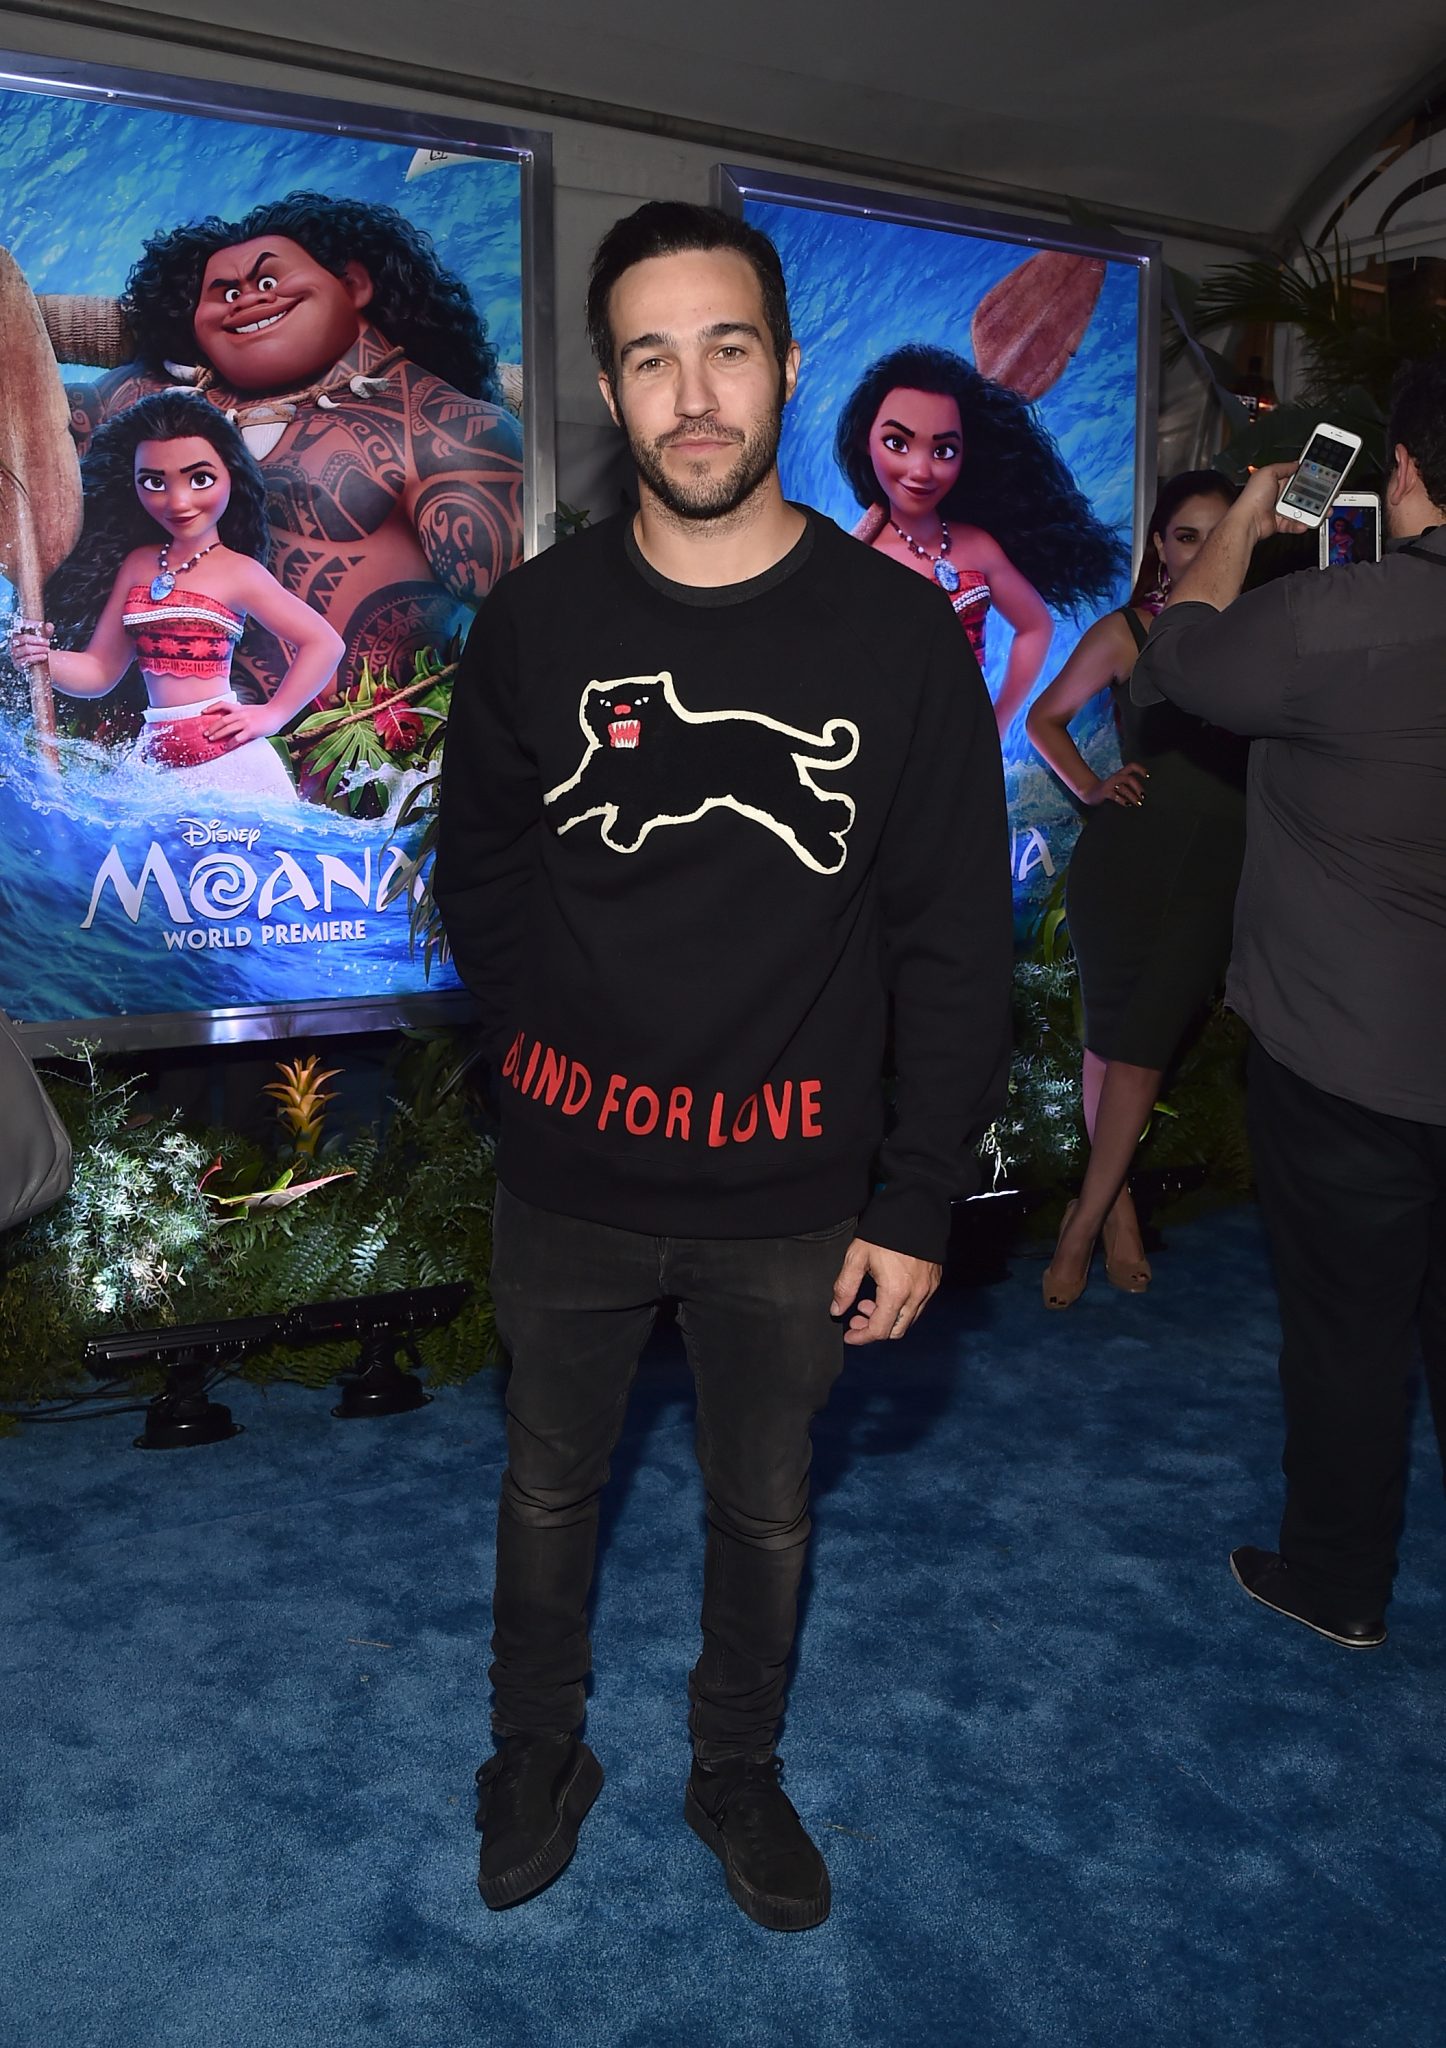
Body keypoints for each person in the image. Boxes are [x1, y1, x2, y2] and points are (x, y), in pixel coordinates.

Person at [434, 202, 1012, 1929]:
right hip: (569, 1179)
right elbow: (482, 872)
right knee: (547, 1486)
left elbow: (952, 938)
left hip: (794, 1196)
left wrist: (916, 1197)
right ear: (609, 389)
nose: (693, 395)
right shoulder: (534, 623)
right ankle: (535, 1749)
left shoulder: (898, 639)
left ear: (786, 365)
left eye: (727, 347)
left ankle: (733, 1768)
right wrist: (541, 1050)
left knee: (763, 1513)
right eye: (652, 357)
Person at [1131, 358, 1446, 1650]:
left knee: (1346, 1339)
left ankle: (1336, 1580)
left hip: (1345, 1065)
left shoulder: (1338, 618)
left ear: (1403, 468)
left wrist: (1250, 520)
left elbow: (1176, 656)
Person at [65, 192, 523, 711]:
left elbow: (527, 629)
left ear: (354, 284)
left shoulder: (445, 427)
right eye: (224, 291)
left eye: (266, 282)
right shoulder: (150, 398)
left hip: (349, 752)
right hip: (146, 741)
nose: (246, 300)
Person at [1025, 472, 1247, 1307]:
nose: (1202, 550)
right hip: (1124, 868)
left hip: (1214, 872)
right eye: (1186, 535)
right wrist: (1089, 785)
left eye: (1220, 534)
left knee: (1143, 1049)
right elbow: (1043, 717)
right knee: (1110, 1045)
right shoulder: (1128, 631)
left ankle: (1081, 1222)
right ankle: (1109, 1216)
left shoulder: (1261, 635)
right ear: (1159, 545)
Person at [9, 391, 341, 797]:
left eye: (200, 479)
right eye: (154, 482)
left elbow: (325, 643)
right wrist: (44, 659)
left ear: (231, 474)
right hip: (156, 758)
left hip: (227, 761)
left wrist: (272, 714)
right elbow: (99, 671)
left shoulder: (239, 573)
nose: (178, 501)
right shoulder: (139, 564)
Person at [834, 342, 1127, 738]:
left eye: (943, 450)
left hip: (960, 745)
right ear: (863, 440)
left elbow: (1035, 627)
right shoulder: (853, 558)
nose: (921, 470)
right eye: (897, 443)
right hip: (878, 744)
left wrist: (998, 721)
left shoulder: (977, 546)